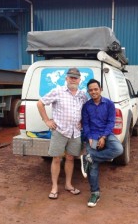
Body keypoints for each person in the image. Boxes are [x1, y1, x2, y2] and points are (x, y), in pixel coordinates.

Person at [37, 67, 88, 199]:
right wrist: (47, 120)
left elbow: (86, 110)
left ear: (79, 80)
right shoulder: (58, 91)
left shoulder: (82, 95)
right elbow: (40, 103)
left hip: (75, 133)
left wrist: (83, 121)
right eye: (71, 77)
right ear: (66, 78)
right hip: (60, 131)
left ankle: (68, 185)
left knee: (70, 158)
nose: (73, 79)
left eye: (75, 77)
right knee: (56, 159)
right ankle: (54, 187)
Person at [81, 78, 123, 207]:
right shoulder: (86, 106)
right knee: (93, 167)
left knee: (118, 149)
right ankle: (95, 193)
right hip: (92, 135)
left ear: (101, 90)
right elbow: (86, 124)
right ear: (88, 92)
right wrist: (89, 137)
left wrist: (104, 137)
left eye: (96, 89)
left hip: (106, 134)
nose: (93, 92)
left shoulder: (109, 104)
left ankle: (90, 157)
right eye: (91, 90)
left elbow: (111, 122)